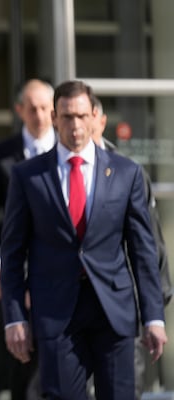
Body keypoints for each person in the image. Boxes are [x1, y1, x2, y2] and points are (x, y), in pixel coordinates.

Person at [0, 80, 168, 399]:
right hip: (56, 313)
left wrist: (154, 316)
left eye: (80, 116)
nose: (74, 125)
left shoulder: (126, 172)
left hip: (113, 310)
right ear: (54, 118)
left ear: (94, 117)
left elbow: (143, 250)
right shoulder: (28, 176)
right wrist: (14, 319)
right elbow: (12, 253)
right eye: (66, 117)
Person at [90, 96, 172, 399]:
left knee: (124, 387)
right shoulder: (54, 168)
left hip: (125, 304)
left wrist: (154, 303)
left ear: (99, 120)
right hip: (74, 307)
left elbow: (149, 241)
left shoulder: (129, 171)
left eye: (87, 117)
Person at [0, 78, 56, 400]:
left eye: (45, 109)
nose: (39, 116)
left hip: (58, 274)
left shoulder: (68, 151)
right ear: (19, 110)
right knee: (18, 363)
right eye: (32, 108)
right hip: (14, 274)